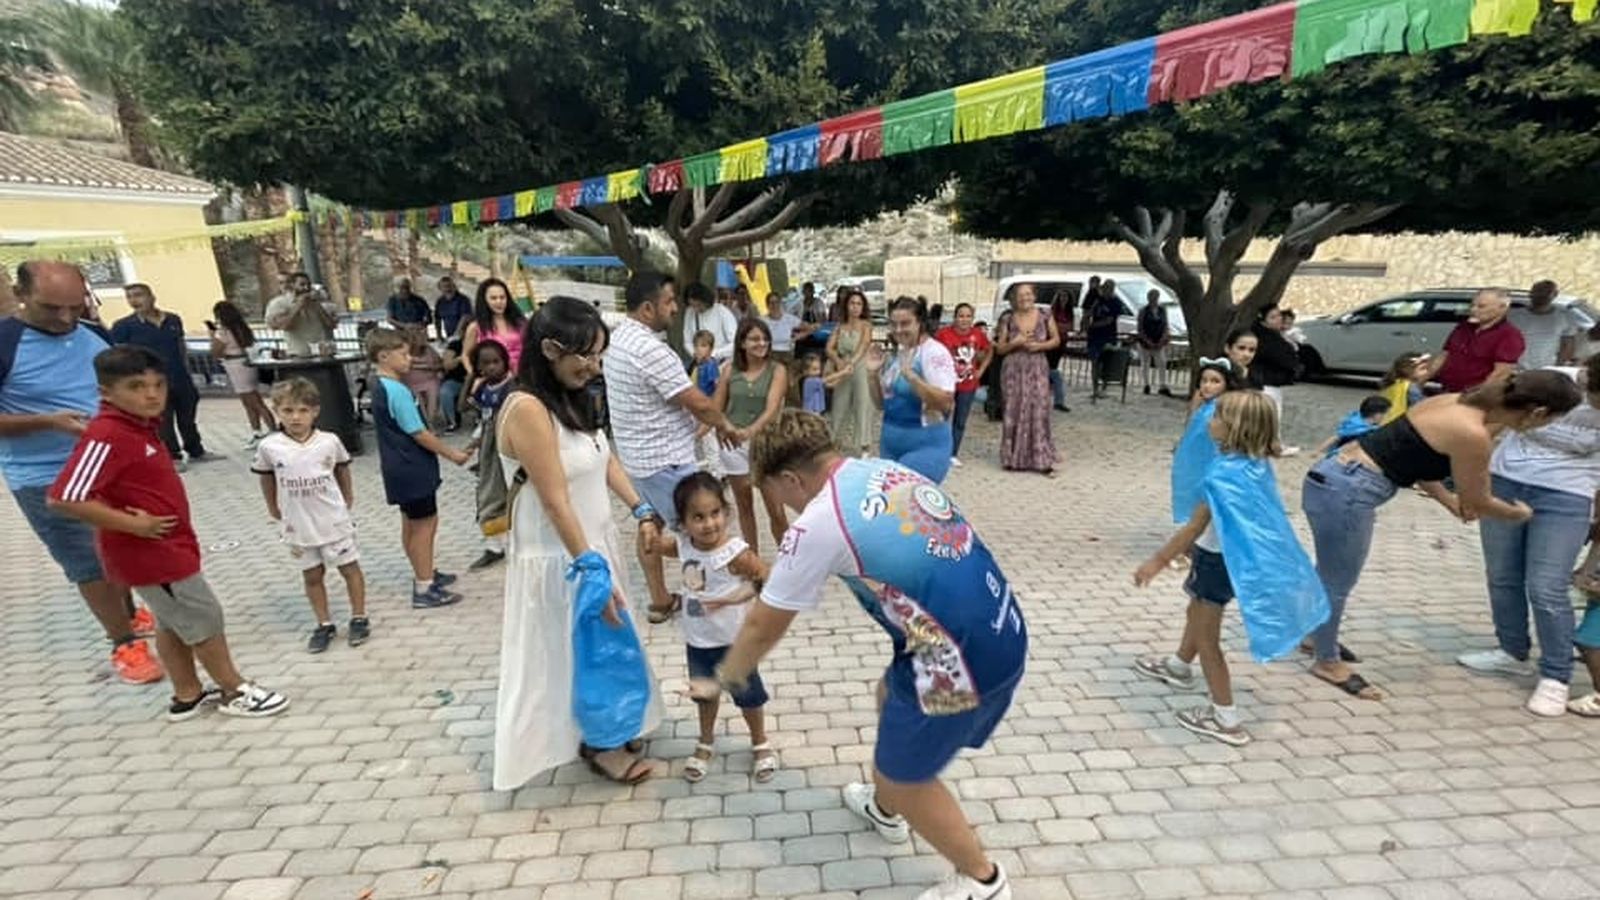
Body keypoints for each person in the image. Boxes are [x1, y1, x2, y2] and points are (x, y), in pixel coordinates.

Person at [700, 409, 1026, 900]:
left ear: (790, 479)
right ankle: (886, 809)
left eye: (775, 493)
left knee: (905, 777)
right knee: (888, 695)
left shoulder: (819, 523)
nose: (780, 505)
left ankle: (983, 879)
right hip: (1001, 624)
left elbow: (763, 626)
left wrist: (725, 676)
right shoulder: (883, 469)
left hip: (958, 659)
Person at [1302, 371, 1581, 700]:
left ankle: (1316, 635)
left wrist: (1449, 502)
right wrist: (1518, 513)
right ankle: (1326, 661)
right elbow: (1478, 501)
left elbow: (1414, 461)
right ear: (1538, 412)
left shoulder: (1452, 402)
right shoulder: (1472, 434)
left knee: (1330, 574)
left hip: (1334, 477)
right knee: (1336, 581)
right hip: (1348, 492)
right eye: (1551, 420)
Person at [49, 345, 289, 720]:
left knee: (173, 622)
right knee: (202, 616)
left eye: (158, 385)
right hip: (151, 553)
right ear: (106, 393)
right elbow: (64, 497)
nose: (151, 395)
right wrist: (135, 525)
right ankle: (234, 689)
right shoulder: (108, 434)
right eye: (136, 386)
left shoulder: (139, 427)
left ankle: (186, 693)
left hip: (170, 545)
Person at [494, 296, 665, 789]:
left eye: (598, 356)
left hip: (593, 543)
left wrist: (641, 508)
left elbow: (601, 456)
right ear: (550, 349)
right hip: (562, 556)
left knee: (609, 644)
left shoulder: (574, 397)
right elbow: (554, 500)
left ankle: (610, 726)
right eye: (584, 356)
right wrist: (589, 567)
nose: (593, 367)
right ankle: (599, 743)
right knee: (576, 652)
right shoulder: (527, 408)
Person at [1135, 391, 1325, 745]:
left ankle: (1225, 717)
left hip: (1215, 561)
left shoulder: (1222, 476)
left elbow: (1194, 527)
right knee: (1196, 612)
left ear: (1236, 428)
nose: (1210, 422)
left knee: (1208, 638)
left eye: (1218, 416)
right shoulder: (1255, 465)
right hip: (1234, 562)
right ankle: (1178, 665)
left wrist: (1157, 561)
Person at [1, 260, 160, 684]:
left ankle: (129, 612)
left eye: (75, 306)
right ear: (21, 294)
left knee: (119, 546)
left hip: (111, 466)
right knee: (88, 562)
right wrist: (47, 422)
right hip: (46, 476)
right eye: (51, 308)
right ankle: (123, 643)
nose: (65, 317)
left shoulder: (93, 334)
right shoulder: (5, 343)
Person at [1460, 359, 1600, 715]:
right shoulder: (1549, 381)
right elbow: (1492, 421)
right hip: (1507, 481)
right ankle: (1512, 651)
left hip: (1568, 494)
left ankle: (1556, 675)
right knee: (1502, 574)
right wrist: (1471, 484)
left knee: (1546, 586)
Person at [603, 272, 739, 623]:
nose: (676, 308)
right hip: (668, 462)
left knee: (650, 525)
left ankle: (660, 601)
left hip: (639, 460)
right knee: (699, 534)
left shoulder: (618, 341)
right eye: (668, 301)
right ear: (648, 308)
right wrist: (724, 424)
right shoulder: (650, 349)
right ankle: (704, 603)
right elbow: (697, 402)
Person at [642, 473, 777, 783]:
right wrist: (647, 528)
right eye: (698, 517)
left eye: (715, 513)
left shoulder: (734, 553)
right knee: (703, 696)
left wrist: (735, 598)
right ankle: (705, 742)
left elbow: (766, 577)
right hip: (698, 641)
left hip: (734, 642)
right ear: (683, 522)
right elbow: (657, 546)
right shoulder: (684, 545)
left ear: (726, 512)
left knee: (748, 696)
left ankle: (760, 742)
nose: (709, 523)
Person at [253, 378, 367, 653]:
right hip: (298, 524)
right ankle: (324, 623)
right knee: (312, 575)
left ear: (315, 411)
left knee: (349, 568)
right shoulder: (270, 446)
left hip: (332, 520)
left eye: (303, 410)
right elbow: (266, 476)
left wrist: (347, 497)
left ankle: (359, 616)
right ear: (277, 411)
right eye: (288, 410)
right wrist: (272, 506)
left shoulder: (329, 441)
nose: (296, 417)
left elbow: (342, 468)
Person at [365, 328, 472, 609]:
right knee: (425, 525)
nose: (410, 359)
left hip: (397, 466)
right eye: (403, 354)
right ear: (384, 356)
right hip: (412, 466)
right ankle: (424, 586)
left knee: (410, 524)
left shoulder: (377, 384)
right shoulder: (397, 390)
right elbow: (418, 432)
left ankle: (423, 571)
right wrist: (453, 454)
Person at [110, 283, 218, 468]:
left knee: (187, 416)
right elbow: (120, 355)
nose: (134, 300)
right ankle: (172, 456)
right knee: (163, 421)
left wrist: (187, 371)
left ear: (152, 297)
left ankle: (195, 449)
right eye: (130, 297)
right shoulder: (124, 326)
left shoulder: (173, 320)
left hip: (179, 376)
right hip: (151, 381)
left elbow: (181, 347)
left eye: (138, 295)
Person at [713, 318, 790, 553]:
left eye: (765, 338)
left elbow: (771, 409)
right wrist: (722, 427)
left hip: (765, 444)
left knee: (776, 509)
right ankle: (753, 559)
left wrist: (749, 431)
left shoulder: (777, 370)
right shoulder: (729, 370)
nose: (761, 343)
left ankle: (789, 558)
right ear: (742, 343)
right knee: (744, 506)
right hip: (734, 445)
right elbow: (716, 407)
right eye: (755, 339)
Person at [870, 297, 958, 484]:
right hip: (890, 445)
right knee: (890, 501)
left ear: (920, 322)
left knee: (907, 499)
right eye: (893, 324)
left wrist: (912, 378)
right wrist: (872, 375)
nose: (898, 330)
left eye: (905, 323)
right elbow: (881, 405)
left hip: (925, 446)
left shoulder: (934, 352)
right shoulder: (900, 353)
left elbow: (945, 403)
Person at [995, 284, 1058, 477]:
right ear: (1015, 298)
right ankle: (1012, 458)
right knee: (1013, 410)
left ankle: (1041, 458)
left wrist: (1039, 346)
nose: (1025, 298)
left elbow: (1056, 340)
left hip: (1037, 367)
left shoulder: (1045, 314)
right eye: (1020, 295)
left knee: (1038, 410)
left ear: (1034, 296)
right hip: (1013, 370)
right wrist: (1015, 343)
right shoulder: (1007, 318)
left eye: (1028, 294)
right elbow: (1000, 349)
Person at [464, 340, 516, 571]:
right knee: (489, 494)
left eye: (497, 361)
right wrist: (471, 379)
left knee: (504, 495)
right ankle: (495, 545)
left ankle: (506, 543)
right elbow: (465, 407)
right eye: (485, 364)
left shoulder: (512, 387)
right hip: (488, 450)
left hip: (507, 448)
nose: (492, 367)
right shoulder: (484, 388)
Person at [1428, 288, 1525, 393]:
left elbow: (1500, 374)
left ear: (1502, 307)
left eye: (1481, 306)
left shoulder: (1509, 335)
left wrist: (1473, 395)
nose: (1473, 310)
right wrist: (1423, 378)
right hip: (1446, 390)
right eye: (1472, 305)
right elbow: (1444, 356)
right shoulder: (1463, 328)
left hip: (1475, 396)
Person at [208, 300, 275, 447]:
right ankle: (258, 431)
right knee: (252, 400)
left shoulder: (223, 332)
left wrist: (212, 335)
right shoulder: (241, 328)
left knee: (253, 402)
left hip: (235, 366)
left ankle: (272, 430)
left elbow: (215, 352)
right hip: (246, 363)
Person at [934, 303, 993, 467]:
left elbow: (989, 350)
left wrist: (981, 370)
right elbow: (933, 353)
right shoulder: (943, 334)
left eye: (968, 316)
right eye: (961, 316)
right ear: (955, 317)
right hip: (946, 384)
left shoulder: (978, 334)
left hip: (968, 384)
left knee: (960, 420)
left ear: (972, 318)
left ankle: (953, 453)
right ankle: (938, 450)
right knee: (941, 418)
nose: (964, 319)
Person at [827, 288, 875, 457]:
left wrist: (851, 363)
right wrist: (838, 360)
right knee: (839, 404)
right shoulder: (840, 327)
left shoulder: (866, 325)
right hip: (843, 367)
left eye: (859, 304)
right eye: (852, 303)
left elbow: (864, 344)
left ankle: (864, 445)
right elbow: (829, 348)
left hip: (860, 366)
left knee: (863, 404)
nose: (855, 307)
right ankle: (834, 441)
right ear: (846, 306)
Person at [1252, 304, 1302, 454]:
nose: (1278, 319)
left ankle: (1271, 444)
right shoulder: (1266, 338)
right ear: (1263, 320)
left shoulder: (1273, 335)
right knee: (1271, 415)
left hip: (1270, 380)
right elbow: (1282, 358)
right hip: (1266, 380)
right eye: (1273, 317)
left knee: (1272, 415)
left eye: (1279, 315)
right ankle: (1272, 446)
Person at [1507, 279, 1580, 370]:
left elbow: (1568, 345)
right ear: (1530, 294)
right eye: (1537, 292)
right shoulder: (1512, 315)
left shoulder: (1564, 317)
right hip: (1515, 369)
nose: (1541, 295)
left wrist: (1558, 367)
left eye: (1546, 292)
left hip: (1546, 370)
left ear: (1555, 294)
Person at [264, 272, 339, 358]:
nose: (306, 288)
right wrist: (298, 306)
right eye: (302, 285)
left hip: (322, 354)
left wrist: (317, 306)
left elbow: (331, 324)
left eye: (308, 285)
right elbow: (284, 325)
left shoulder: (317, 302)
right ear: (292, 285)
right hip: (299, 355)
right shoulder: (280, 303)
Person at [462, 278, 527, 376]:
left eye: (502, 297)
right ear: (484, 300)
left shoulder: (521, 323)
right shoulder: (475, 327)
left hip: (523, 375)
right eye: (493, 298)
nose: (499, 301)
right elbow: (466, 355)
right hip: (494, 377)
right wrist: (474, 376)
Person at [1314, 396, 1392, 458]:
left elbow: (1337, 436)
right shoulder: (1365, 431)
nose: (1387, 416)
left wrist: (1318, 451)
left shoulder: (1355, 420)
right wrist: (1323, 453)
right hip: (1344, 458)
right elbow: (1339, 440)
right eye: (1386, 414)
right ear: (1377, 415)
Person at [680, 281, 739, 363]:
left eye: (699, 305)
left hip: (722, 362)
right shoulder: (690, 312)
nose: (696, 309)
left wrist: (713, 354)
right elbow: (687, 341)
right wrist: (695, 354)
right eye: (692, 305)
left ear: (706, 300)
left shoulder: (721, 312)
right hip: (701, 363)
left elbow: (736, 343)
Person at [1085, 279, 1122, 399]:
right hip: (1094, 337)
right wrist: (1086, 320)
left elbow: (1109, 320)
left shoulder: (1116, 302)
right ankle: (1095, 389)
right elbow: (1090, 312)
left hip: (1108, 336)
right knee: (1095, 362)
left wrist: (1092, 326)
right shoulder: (1098, 300)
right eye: (1105, 288)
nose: (1106, 291)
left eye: (1109, 288)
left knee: (1107, 363)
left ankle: (1104, 388)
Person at [403, 326, 444, 427]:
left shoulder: (429, 350)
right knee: (420, 408)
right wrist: (424, 366)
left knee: (432, 405)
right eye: (418, 336)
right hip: (411, 383)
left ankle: (430, 423)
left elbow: (440, 365)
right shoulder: (404, 351)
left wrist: (428, 367)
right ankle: (425, 425)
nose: (423, 338)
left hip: (430, 381)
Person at [1136, 289, 1173, 397]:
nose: (1153, 299)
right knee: (1145, 363)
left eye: (1155, 297)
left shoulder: (1162, 310)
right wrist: (1147, 341)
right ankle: (1146, 384)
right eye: (1151, 297)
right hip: (1146, 342)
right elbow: (1140, 328)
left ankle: (1162, 385)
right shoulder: (1143, 311)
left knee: (1162, 362)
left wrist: (1162, 339)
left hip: (1159, 341)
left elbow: (1166, 325)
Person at [1377, 351, 1430, 424]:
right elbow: (1422, 407)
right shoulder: (1412, 389)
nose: (1427, 372)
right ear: (1408, 370)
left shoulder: (1395, 383)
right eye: (1422, 369)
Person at [1047, 287, 1075, 412]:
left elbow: (1070, 326)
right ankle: (1057, 399)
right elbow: (1052, 326)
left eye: (1065, 296)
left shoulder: (1069, 312)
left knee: (1053, 369)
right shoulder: (1053, 310)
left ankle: (1056, 398)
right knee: (1051, 370)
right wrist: (1061, 327)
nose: (1063, 299)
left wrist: (1061, 327)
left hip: (1061, 342)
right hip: (1052, 342)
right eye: (1061, 296)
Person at [438, 321, 468, 434]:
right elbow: (447, 365)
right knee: (445, 392)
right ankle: (452, 422)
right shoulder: (454, 345)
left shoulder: (481, 344)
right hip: (456, 379)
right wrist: (460, 358)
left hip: (476, 379)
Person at [762, 291, 802, 369]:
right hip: (771, 352)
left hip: (787, 352)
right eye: (771, 303)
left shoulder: (789, 318)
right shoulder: (763, 320)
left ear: (780, 304)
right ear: (767, 305)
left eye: (776, 302)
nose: (774, 305)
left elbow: (809, 327)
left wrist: (800, 336)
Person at [433, 276, 473, 342]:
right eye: (445, 286)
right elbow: (437, 319)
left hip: (465, 335)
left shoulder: (463, 299)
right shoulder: (440, 302)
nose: (448, 289)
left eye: (450, 286)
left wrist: (456, 333)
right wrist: (439, 335)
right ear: (440, 288)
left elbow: (465, 317)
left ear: (454, 286)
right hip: (450, 335)